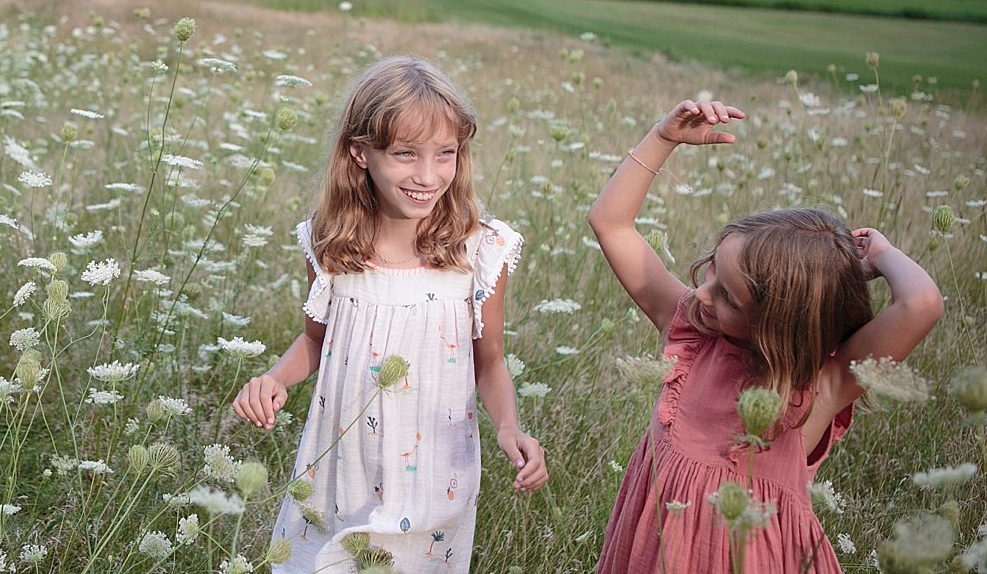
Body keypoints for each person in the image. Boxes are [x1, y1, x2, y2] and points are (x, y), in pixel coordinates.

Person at [590, 98, 944, 574]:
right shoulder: (694, 333)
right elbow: (610, 222)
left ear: (782, 323)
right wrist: (663, 137)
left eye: (729, 297)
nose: (701, 292)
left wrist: (879, 253)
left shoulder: (822, 388)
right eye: (711, 269)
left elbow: (922, 305)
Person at [233, 56, 548, 573]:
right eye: (405, 155)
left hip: (432, 474)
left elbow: (489, 362)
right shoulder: (330, 244)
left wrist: (509, 427)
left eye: (445, 154)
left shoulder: (480, 251)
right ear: (360, 152)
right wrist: (273, 379)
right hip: (341, 469)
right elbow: (315, 340)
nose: (428, 175)